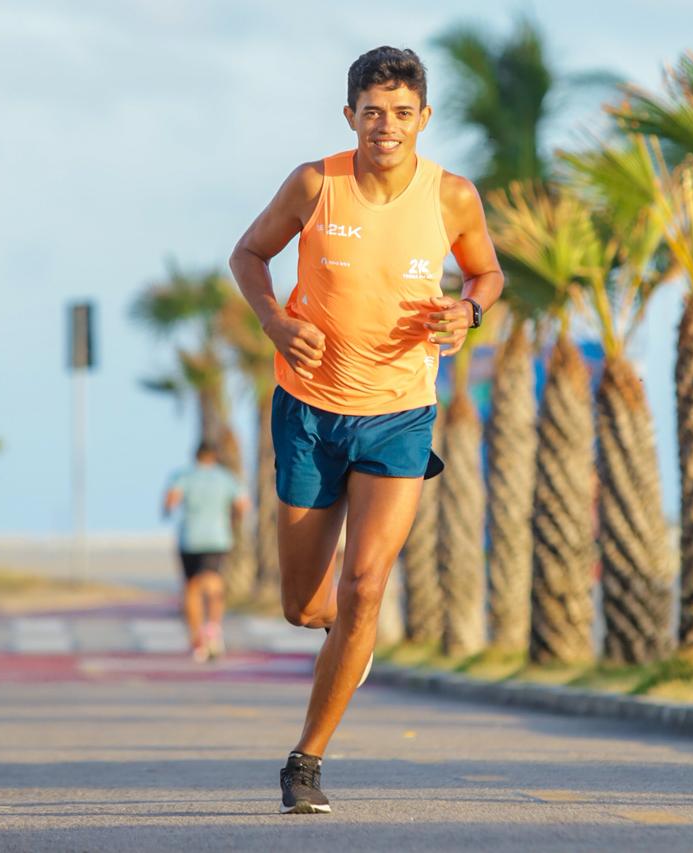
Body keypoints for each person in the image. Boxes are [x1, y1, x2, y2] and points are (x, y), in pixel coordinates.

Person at [229, 46, 503, 814]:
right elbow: (248, 254)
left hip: (400, 415)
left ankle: (305, 760)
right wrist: (276, 322)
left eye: (402, 113)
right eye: (372, 112)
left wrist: (468, 309)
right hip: (309, 412)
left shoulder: (450, 196)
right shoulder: (317, 183)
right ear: (350, 115)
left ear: (424, 118)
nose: (387, 126)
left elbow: (485, 273)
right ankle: (347, 636)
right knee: (306, 606)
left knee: (365, 584)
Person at [163, 442, 248, 662]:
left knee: (192, 586)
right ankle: (213, 628)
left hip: (189, 539)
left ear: (196, 456)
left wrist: (168, 511)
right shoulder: (226, 477)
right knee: (213, 581)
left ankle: (196, 637)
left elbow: (171, 501)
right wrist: (234, 519)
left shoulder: (183, 476)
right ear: (215, 456)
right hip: (218, 538)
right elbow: (242, 505)